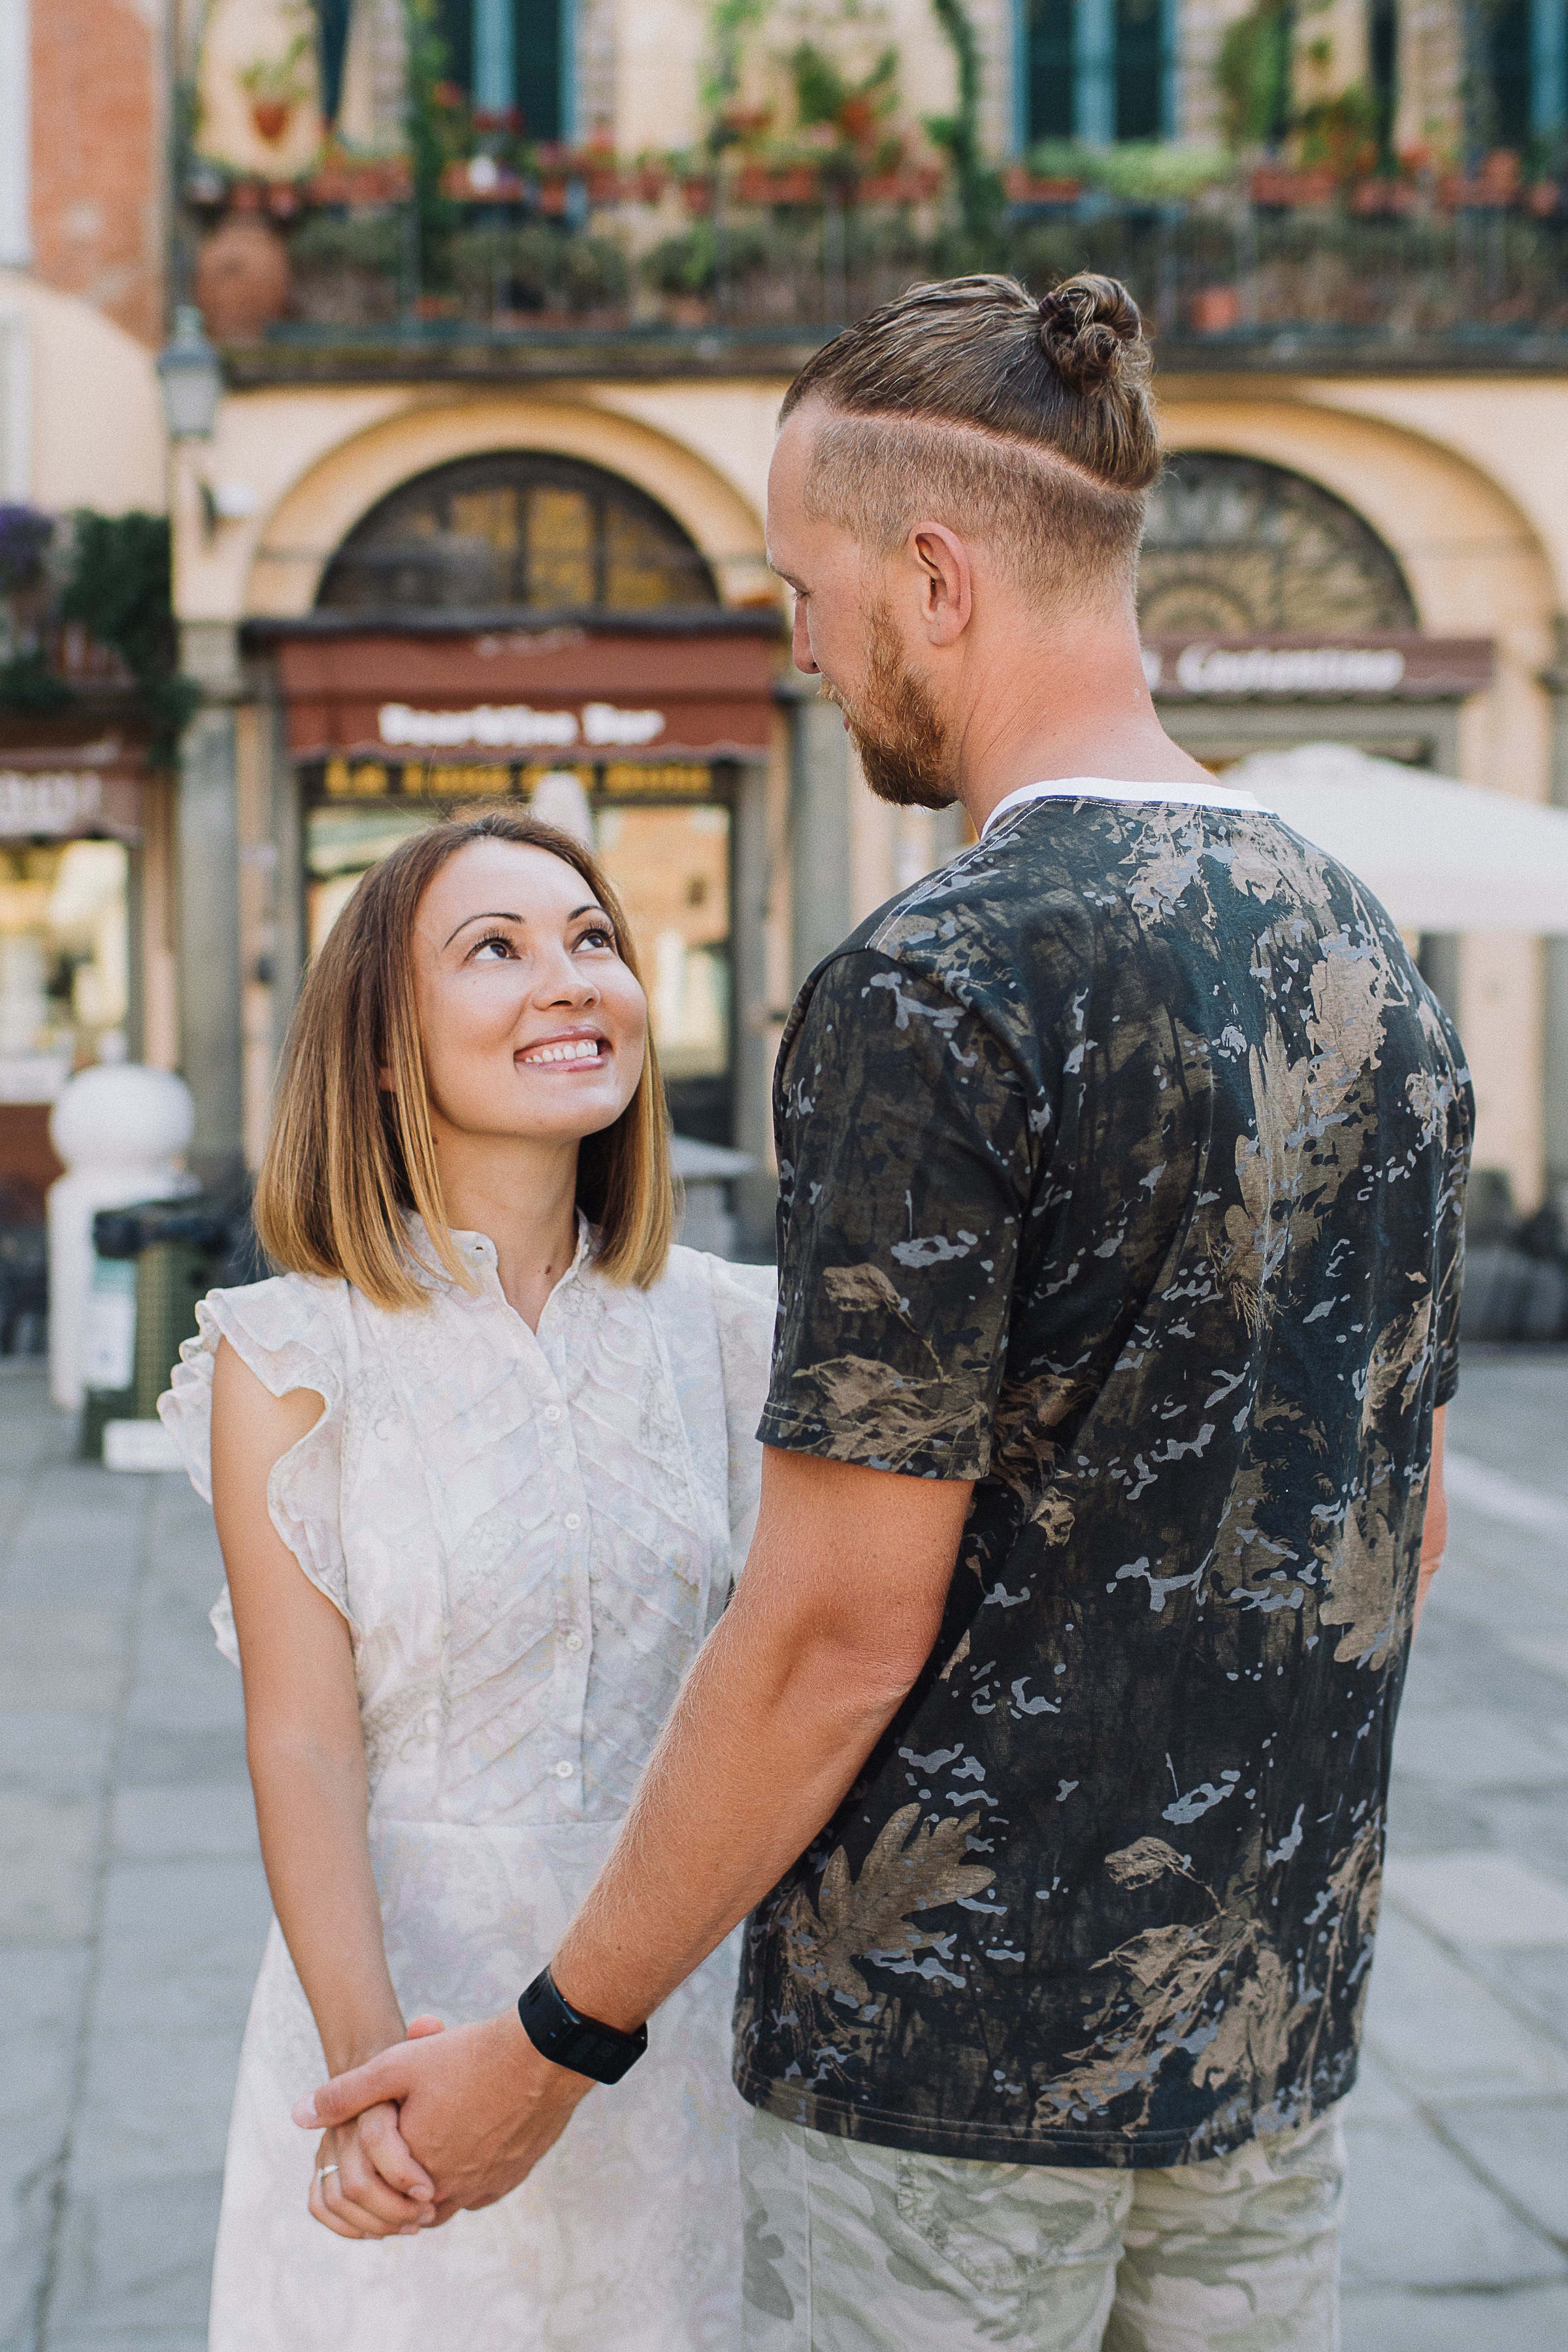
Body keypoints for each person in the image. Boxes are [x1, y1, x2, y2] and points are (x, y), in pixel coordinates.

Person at [308, 275, 1471, 2351]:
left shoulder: (939, 985)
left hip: (950, 2090)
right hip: (1269, 2049)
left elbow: (836, 1632)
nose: (803, 646)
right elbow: (1411, 1521)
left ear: (935, 579)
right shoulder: (1373, 959)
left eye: (807, 593)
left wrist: (554, 2043)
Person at [159, 811, 776, 2351]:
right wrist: (371, 2073)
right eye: (495, 949)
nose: (569, 979)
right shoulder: (288, 1354)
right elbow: (303, 1742)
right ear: (382, 1046)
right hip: (399, 1990)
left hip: (683, 2006)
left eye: (591, 940)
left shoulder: (733, 1332)